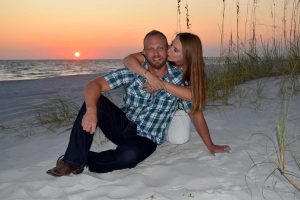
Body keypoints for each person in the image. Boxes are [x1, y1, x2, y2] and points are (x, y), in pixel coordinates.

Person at [46, 30, 194, 177]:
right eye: (150, 49)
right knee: (96, 101)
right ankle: (71, 161)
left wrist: (160, 83)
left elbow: (194, 96)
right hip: (124, 126)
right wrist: (91, 110)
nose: (156, 54)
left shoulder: (178, 78)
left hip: (148, 137)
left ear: (167, 49)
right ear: (143, 52)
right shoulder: (132, 72)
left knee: (128, 157)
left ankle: (83, 159)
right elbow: (93, 85)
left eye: (160, 48)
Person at [123, 32, 231, 154]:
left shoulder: (191, 74)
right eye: (171, 44)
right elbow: (128, 60)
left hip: (178, 109)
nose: (168, 50)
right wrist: (149, 76)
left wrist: (211, 145)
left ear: (187, 57)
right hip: (159, 108)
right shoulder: (162, 58)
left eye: (175, 50)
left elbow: (194, 103)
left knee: (179, 139)